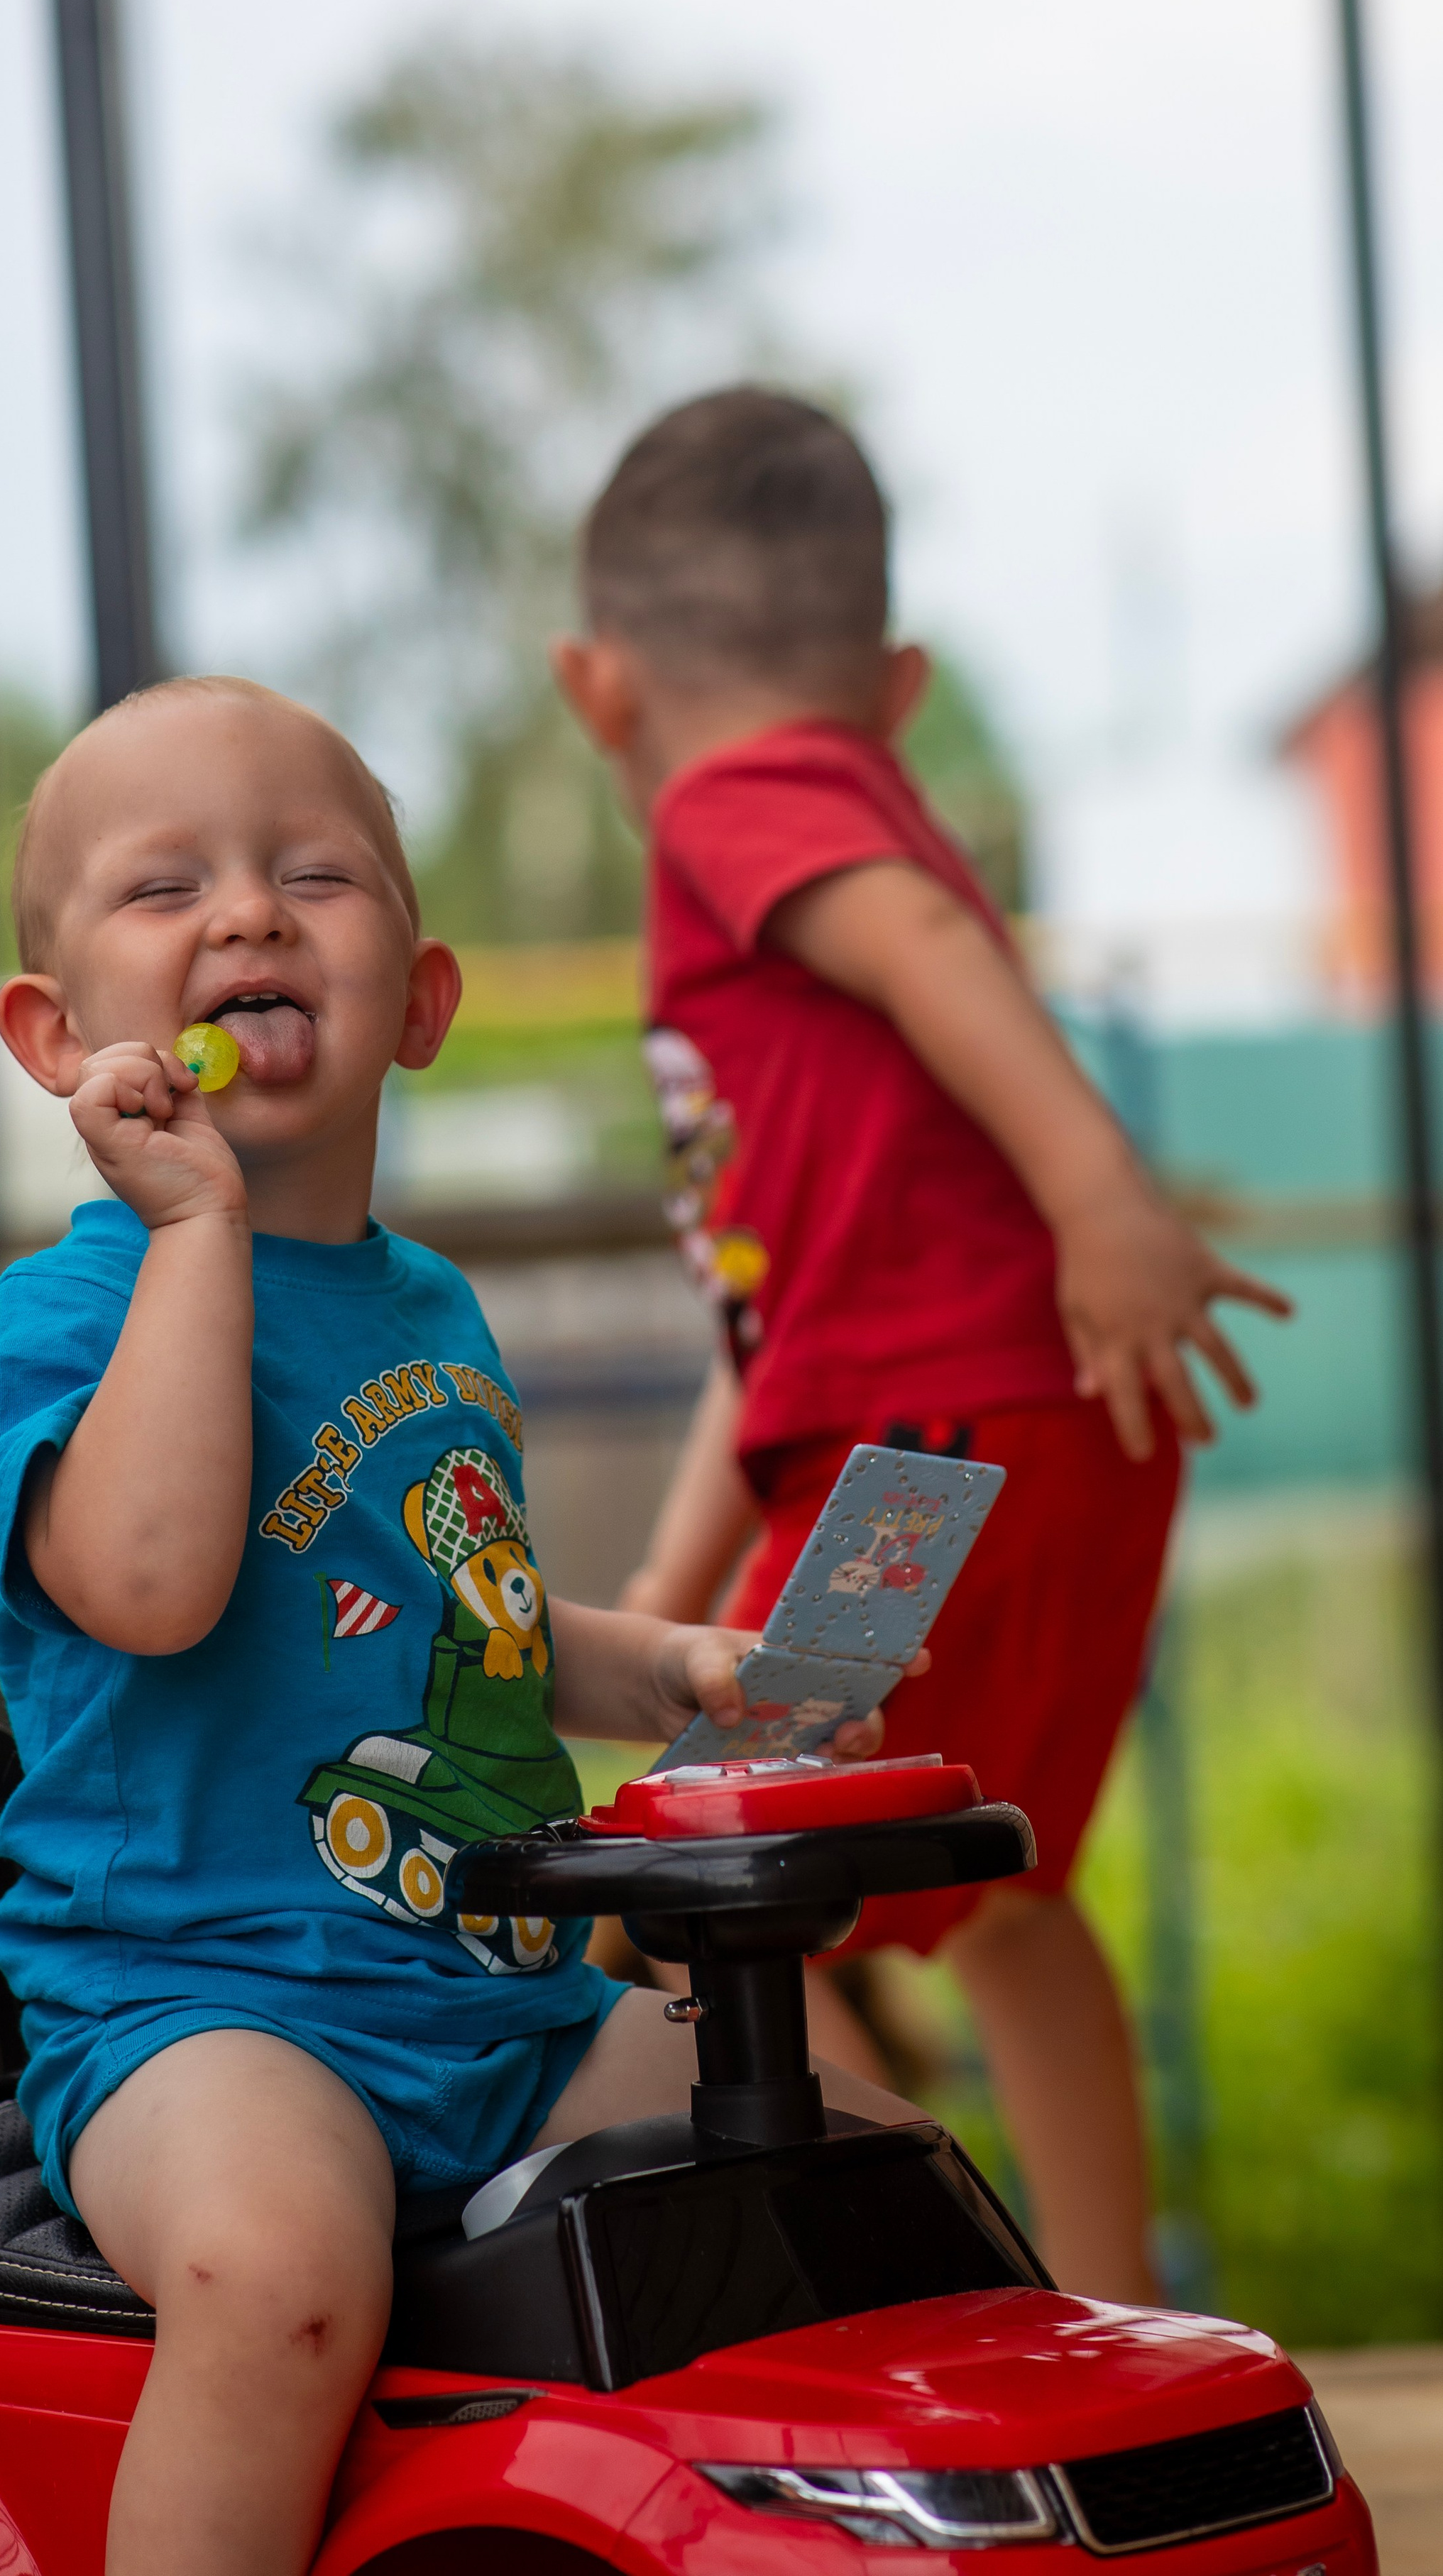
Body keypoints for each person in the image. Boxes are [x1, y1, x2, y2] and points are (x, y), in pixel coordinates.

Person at [0, 673, 919, 2576]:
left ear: (425, 999)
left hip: (503, 1997)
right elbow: (155, 1585)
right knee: (284, 2278)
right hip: (203, 2010)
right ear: (57, 1037)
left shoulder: (433, 1318)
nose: (247, 914)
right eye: (172, 888)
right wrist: (197, 1235)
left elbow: (449, 1614)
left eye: (311, 872)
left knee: (852, 2176)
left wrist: (660, 1667)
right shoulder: (61, 1322)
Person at [553, 387, 1292, 2308]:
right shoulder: (857, 797)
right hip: (1013, 1427)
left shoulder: (737, 799)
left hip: (939, 1446)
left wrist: (1100, 1195)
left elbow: (929, 956)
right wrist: (665, 1593)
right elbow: (780, 1317)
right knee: (1006, 1903)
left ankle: (966, 2300)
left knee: (724, 1907)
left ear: (597, 689)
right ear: (901, 682)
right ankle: (1115, 2312)